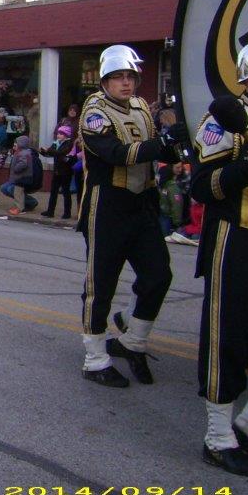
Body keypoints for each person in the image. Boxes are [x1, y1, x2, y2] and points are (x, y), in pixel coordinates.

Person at [190, 39, 248, 476]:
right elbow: (201, 188)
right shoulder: (223, 122)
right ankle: (218, 435)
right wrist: (245, 163)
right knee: (229, 340)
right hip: (240, 239)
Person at [77, 44, 182, 388]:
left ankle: (132, 339)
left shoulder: (140, 107)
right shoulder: (94, 110)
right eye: (118, 77)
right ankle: (95, 358)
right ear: (105, 80)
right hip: (107, 205)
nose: (126, 83)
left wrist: (178, 142)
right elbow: (117, 154)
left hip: (142, 203)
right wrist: (164, 143)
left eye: (130, 76)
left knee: (159, 275)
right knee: (100, 284)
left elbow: (155, 152)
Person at [40, 125, 75, 219]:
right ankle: (50, 211)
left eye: (61, 134)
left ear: (66, 135)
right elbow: (51, 153)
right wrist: (43, 151)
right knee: (53, 192)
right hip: (57, 170)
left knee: (66, 192)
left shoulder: (69, 144)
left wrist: (49, 150)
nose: (58, 135)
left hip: (65, 171)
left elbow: (61, 153)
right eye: (58, 133)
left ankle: (67, 213)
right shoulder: (56, 143)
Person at [0, 135, 39, 215]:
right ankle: (17, 206)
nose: (14, 144)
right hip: (17, 178)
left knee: (18, 193)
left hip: (21, 178)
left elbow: (23, 164)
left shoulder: (24, 153)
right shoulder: (19, 152)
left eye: (16, 143)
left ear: (21, 144)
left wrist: (16, 168)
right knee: (13, 191)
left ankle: (19, 208)